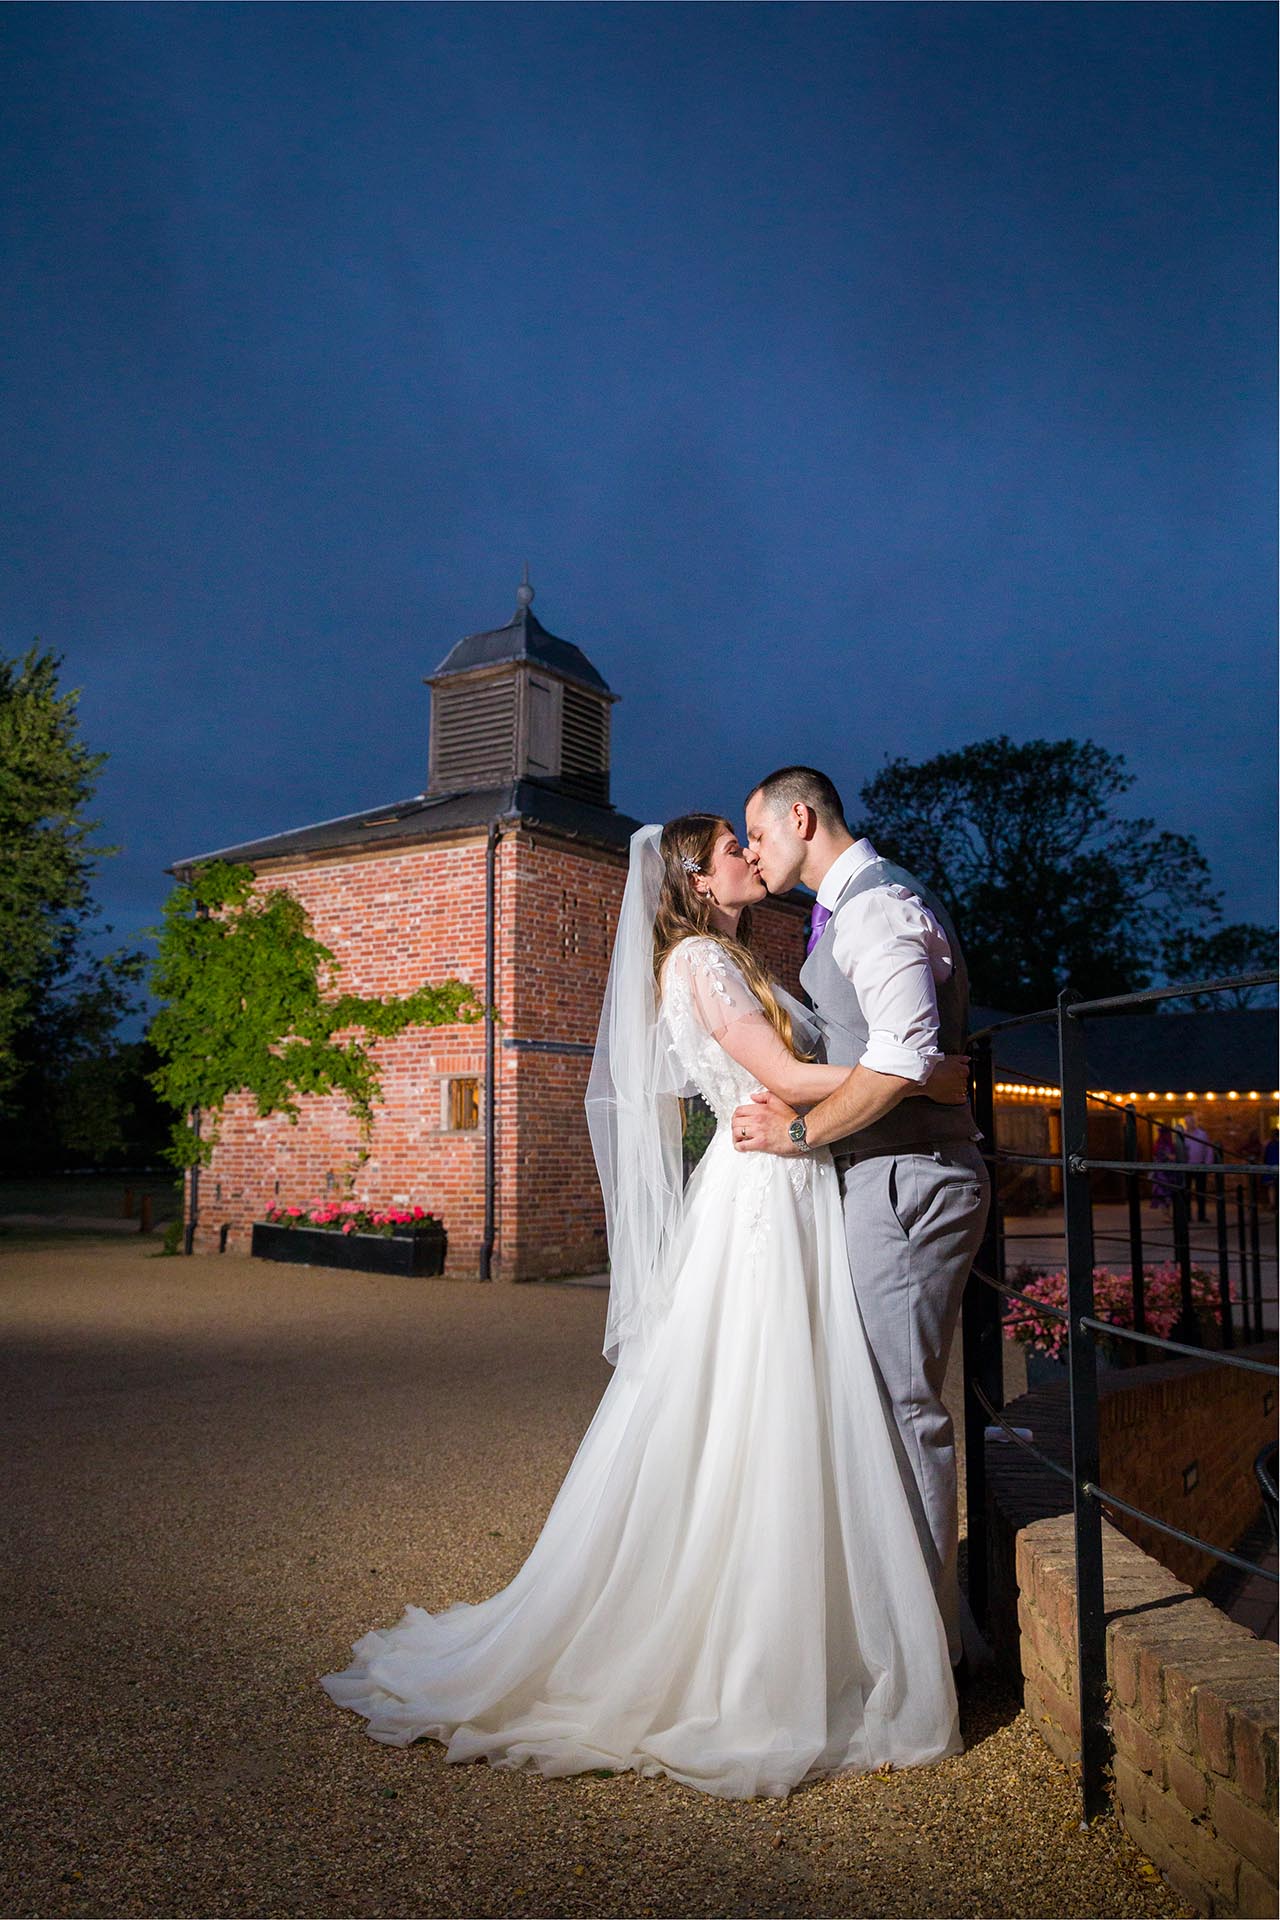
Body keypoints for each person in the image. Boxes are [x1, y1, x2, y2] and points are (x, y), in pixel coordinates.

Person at [320, 815, 968, 1798]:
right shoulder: (703, 961)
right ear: (698, 882)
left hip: (781, 1188)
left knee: (773, 1413)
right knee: (762, 1408)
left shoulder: (724, 957)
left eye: (751, 844)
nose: (751, 857)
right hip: (762, 1198)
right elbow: (787, 1079)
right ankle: (754, 1655)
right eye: (733, 851)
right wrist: (923, 1074)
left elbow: (782, 1085)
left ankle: (816, 1628)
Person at [734, 767, 990, 1670]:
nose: (753, 851)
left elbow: (904, 1060)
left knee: (901, 1409)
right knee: (878, 1403)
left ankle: (925, 1656)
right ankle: (904, 1631)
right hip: (886, 1177)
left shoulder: (879, 909)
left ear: (801, 819)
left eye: (757, 834)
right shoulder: (849, 911)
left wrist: (799, 1131)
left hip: (906, 1180)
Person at [1181, 1112, 1216, 1224]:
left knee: (1201, 1192)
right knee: (1186, 1192)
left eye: (1191, 1122)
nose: (1189, 1124)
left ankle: (1201, 1216)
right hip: (1187, 1167)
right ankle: (1187, 1216)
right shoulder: (1183, 1136)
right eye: (1187, 1122)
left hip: (1200, 1166)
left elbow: (1208, 1149)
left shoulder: (1202, 1135)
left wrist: (1207, 1165)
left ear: (1194, 1122)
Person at [1150, 1125, 1181, 1211]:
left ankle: (1166, 1213)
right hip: (1164, 1173)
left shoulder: (1159, 1144)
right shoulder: (1163, 1146)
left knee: (1166, 1194)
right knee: (1164, 1193)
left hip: (1164, 1172)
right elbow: (1172, 1157)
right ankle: (1166, 1214)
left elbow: (1155, 1157)